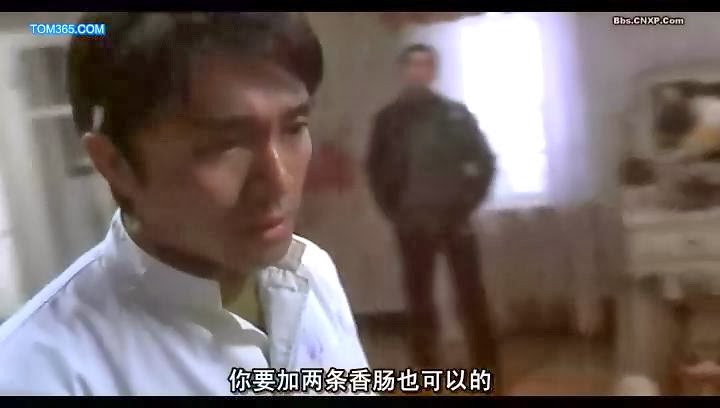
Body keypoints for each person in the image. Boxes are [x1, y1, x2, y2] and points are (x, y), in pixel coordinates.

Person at [0, 12, 370, 396]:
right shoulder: (39, 376)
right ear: (114, 163)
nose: (279, 181)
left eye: (294, 128)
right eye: (225, 145)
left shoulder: (312, 273)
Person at [366, 44, 501, 392]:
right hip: (411, 220)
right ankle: (426, 366)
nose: (418, 72)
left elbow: (485, 161)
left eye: (425, 65)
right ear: (402, 72)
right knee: (419, 296)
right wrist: (393, 209)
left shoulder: (455, 114)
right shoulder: (388, 120)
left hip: (456, 219)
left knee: (470, 294)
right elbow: (375, 169)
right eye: (412, 65)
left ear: (433, 72)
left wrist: (468, 203)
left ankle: (487, 364)